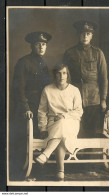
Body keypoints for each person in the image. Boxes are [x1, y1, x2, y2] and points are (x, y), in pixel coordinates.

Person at [10, 31, 52, 180]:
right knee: (23, 140)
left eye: (44, 44)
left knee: (39, 138)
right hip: (26, 108)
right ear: (32, 46)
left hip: (39, 107)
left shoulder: (44, 63)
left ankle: (36, 171)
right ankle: (19, 174)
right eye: (38, 44)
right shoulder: (23, 62)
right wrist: (26, 108)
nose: (41, 47)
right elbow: (18, 89)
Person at [36, 63, 83, 180]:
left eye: (64, 73)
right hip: (52, 123)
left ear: (67, 75)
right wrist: (42, 128)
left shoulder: (74, 90)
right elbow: (42, 111)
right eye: (58, 73)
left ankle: (46, 153)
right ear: (54, 75)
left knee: (63, 124)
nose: (61, 76)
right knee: (61, 134)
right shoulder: (47, 90)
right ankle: (61, 171)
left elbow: (79, 111)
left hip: (72, 122)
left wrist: (64, 116)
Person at [63, 20, 108, 138]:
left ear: (92, 35)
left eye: (88, 33)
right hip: (74, 96)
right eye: (82, 33)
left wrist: (103, 99)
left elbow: (104, 78)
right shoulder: (69, 53)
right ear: (78, 34)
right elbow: (64, 76)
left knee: (91, 131)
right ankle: (75, 155)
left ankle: (89, 156)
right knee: (74, 129)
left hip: (93, 98)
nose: (85, 36)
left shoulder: (98, 53)